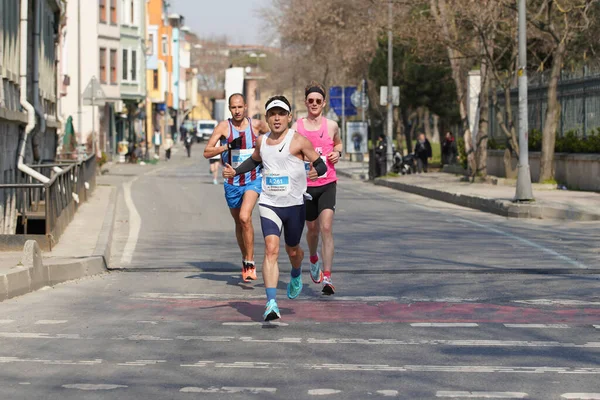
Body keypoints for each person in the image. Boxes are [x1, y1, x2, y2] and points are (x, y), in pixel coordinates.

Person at [223, 95, 325, 321]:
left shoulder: (298, 141)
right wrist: (236, 171)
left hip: (294, 205)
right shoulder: (262, 141)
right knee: (270, 248)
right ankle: (271, 303)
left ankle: (297, 272)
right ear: (267, 118)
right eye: (272, 114)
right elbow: (255, 160)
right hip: (269, 203)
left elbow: (320, 163)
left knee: (293, 250)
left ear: (289, 117)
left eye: (281, 114)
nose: (277, 118)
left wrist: (318, 170)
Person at [203, 94, 270, 282]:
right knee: (239, 223)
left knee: (244, 217)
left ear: (246, 107)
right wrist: (226, 147)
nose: (237, 111)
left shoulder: (257, 125)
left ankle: (250, 262)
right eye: (233, 108)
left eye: (240, 107)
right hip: (232, 183)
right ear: (230, 109)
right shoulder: (224, 127)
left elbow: (275, 137)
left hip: (253, 179)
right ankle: (244, 257)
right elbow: (207, 152)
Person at [291, 81, 342, 295]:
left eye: (318, 101)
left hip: (328, 183)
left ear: (324, 103)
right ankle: (313, 259)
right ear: (305, 102)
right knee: (312, 230)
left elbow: (338, 144)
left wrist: (338, 153)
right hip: (306, 186)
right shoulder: (297, 126)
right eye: (310, 100)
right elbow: (290, 152)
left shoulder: (331, 126)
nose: (314, 104)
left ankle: (328, 277)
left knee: (326, 228)